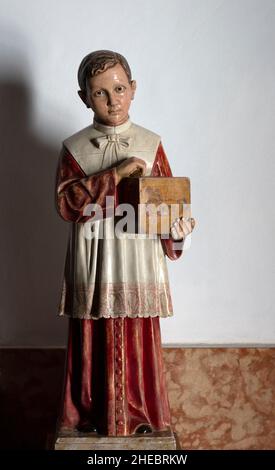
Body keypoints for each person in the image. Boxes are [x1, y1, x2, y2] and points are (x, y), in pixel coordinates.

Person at [55, 50, 195, 437]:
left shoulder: (151, 145)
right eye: (100, 93)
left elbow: (166, 204)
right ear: (84, 97)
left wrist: (177, 230)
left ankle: (143, 413)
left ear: (133, 89)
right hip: (95, 257)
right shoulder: (74, 148)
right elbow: (67, 203)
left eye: (119, 89)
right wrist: (115, 174)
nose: (113, 100)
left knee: (138, 335)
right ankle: (89, 415)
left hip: (137, 256)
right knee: (92, 334)